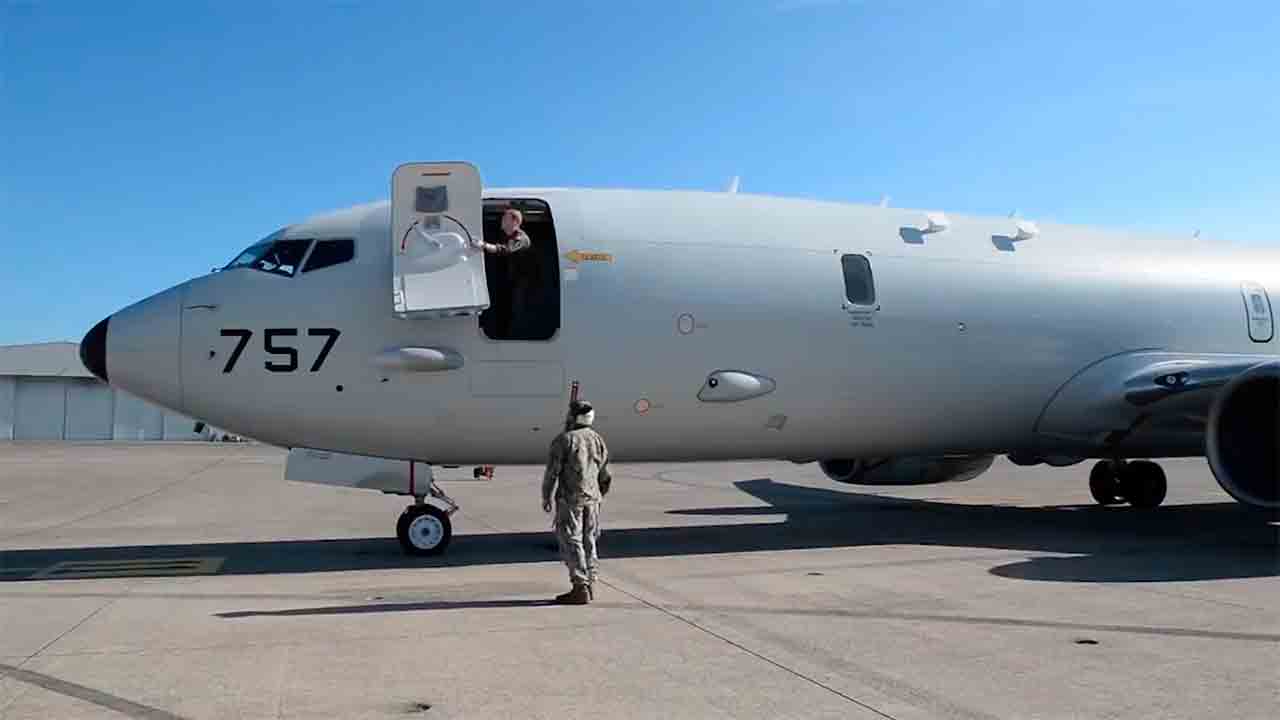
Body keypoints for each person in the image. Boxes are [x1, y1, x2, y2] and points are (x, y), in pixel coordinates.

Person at [542, 400, 611, 604]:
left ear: (573, 417)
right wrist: (599, 495)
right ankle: (590, 582)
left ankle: (580, 586)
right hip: (593, 499)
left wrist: (546, 495)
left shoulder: (564, 440)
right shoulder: (597, 439)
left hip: (571, 499)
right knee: (589, 540)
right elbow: (605, 474)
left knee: (571, 540)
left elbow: (552, 473)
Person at [473, 208, 539, 338]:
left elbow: (506, 249)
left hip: (522, 284)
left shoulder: (521, 238)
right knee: (504, 310)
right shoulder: (508, 237)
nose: (502, 221)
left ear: (514, 221)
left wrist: (483, 245)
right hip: (511, 282)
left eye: (505, 218)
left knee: (516, 313)